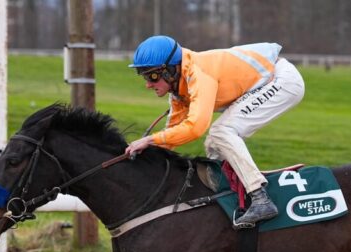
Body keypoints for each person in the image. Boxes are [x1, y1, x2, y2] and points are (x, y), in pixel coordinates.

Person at [125, 35, 305, 228]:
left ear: (169, 70)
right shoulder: (179, 88)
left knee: (221, 131)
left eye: (152, 76)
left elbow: (195, 127)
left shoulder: (198, 73)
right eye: (144, 76)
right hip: (265, 81)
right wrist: (145, 150)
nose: (148, 84)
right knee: (213, 145)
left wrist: (150, 140)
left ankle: (260, 198)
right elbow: (172, 136)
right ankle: (233, 196)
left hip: (281, 80)